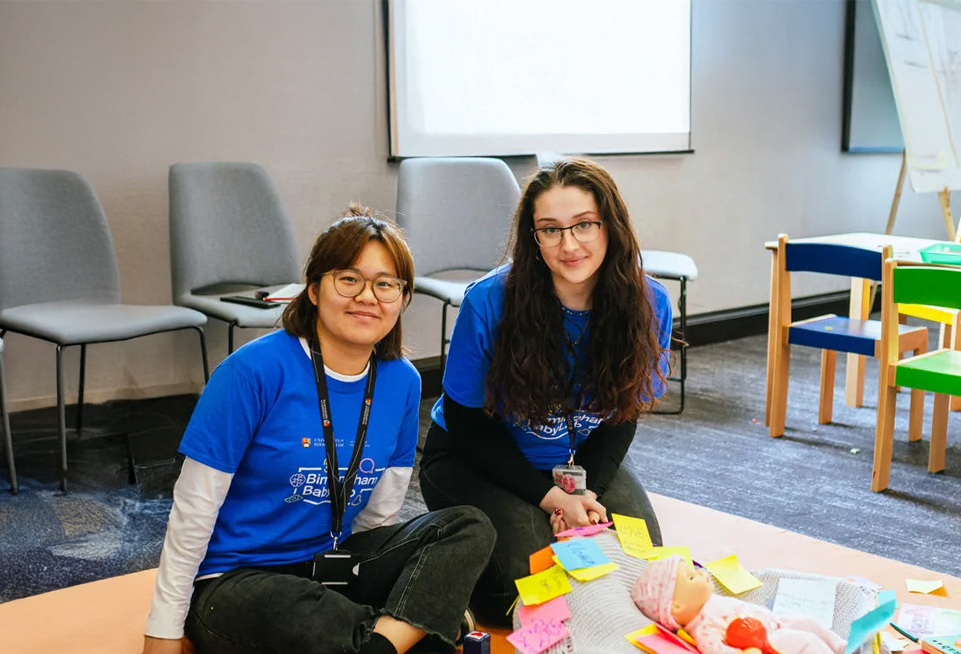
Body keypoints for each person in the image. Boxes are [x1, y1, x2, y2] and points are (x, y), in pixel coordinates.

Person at [144, 206, 494, 654]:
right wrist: (163, 630)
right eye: (349, 279)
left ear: (403, 299)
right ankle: (412, 632)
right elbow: (193, 510)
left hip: (334, 567)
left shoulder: (403, 381)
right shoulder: (251, 371)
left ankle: (379, 639)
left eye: (386, 284)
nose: (368, 296)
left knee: (468, 526)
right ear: (313, 289)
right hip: (241, 582)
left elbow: (378, 515)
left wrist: (373, 579)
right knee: (312, 620)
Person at [419, 158, 673, 625]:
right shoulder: (489, 301)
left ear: (610, 225)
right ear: (533, 237)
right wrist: (555, 501)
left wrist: (584, 492)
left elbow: (623, 413)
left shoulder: (650, 302)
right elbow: (469, 427)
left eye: (584, 225)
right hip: (472, 456)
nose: (569, 244)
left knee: (646, 570)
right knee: (526, 594)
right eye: (550, 230)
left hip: (580, 456)